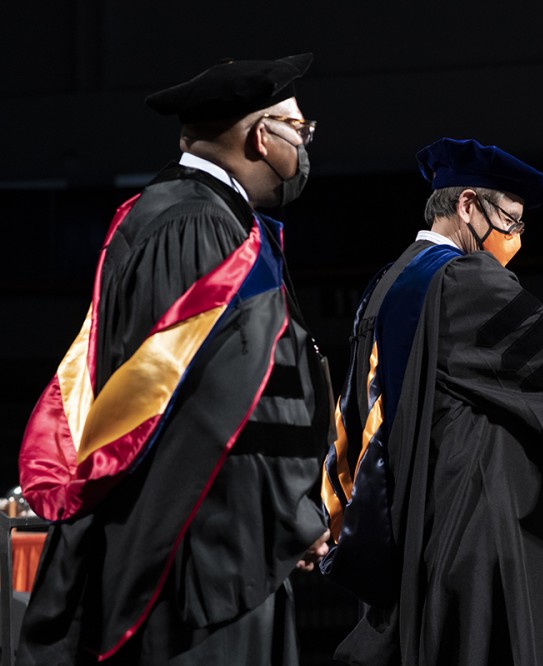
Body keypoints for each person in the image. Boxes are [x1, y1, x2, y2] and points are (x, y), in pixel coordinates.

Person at [320, 137, 543, 665]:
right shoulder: (465, 280)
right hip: (477, 527)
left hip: (410, 534)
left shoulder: (386, 284)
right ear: (467, 205)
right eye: (511, 219)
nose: (516, 236)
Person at [16, 54, 331, 665]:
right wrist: (294, 514)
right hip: (206, 566)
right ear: (261, 136)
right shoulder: (195, 226)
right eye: (301, 130)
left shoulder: (176, 214)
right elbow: (224, 406)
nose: (305, 145)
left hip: (205, 548)